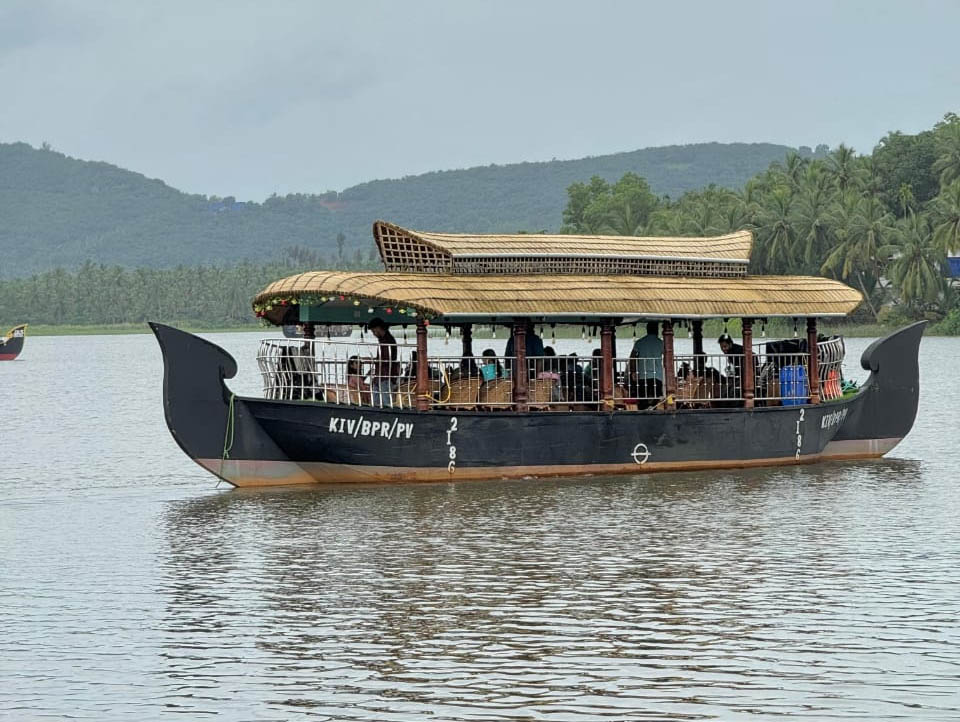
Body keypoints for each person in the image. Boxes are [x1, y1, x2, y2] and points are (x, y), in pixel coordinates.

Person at [368, 317, 399, 407]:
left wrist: (372, 360)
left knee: (386, 402)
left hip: (385, 376)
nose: (374, 334)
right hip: (381, 376)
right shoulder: (386, 340)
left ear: (378, 328)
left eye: (374, 331)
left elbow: (385, 360)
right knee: (377, 401)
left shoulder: (387, 341)